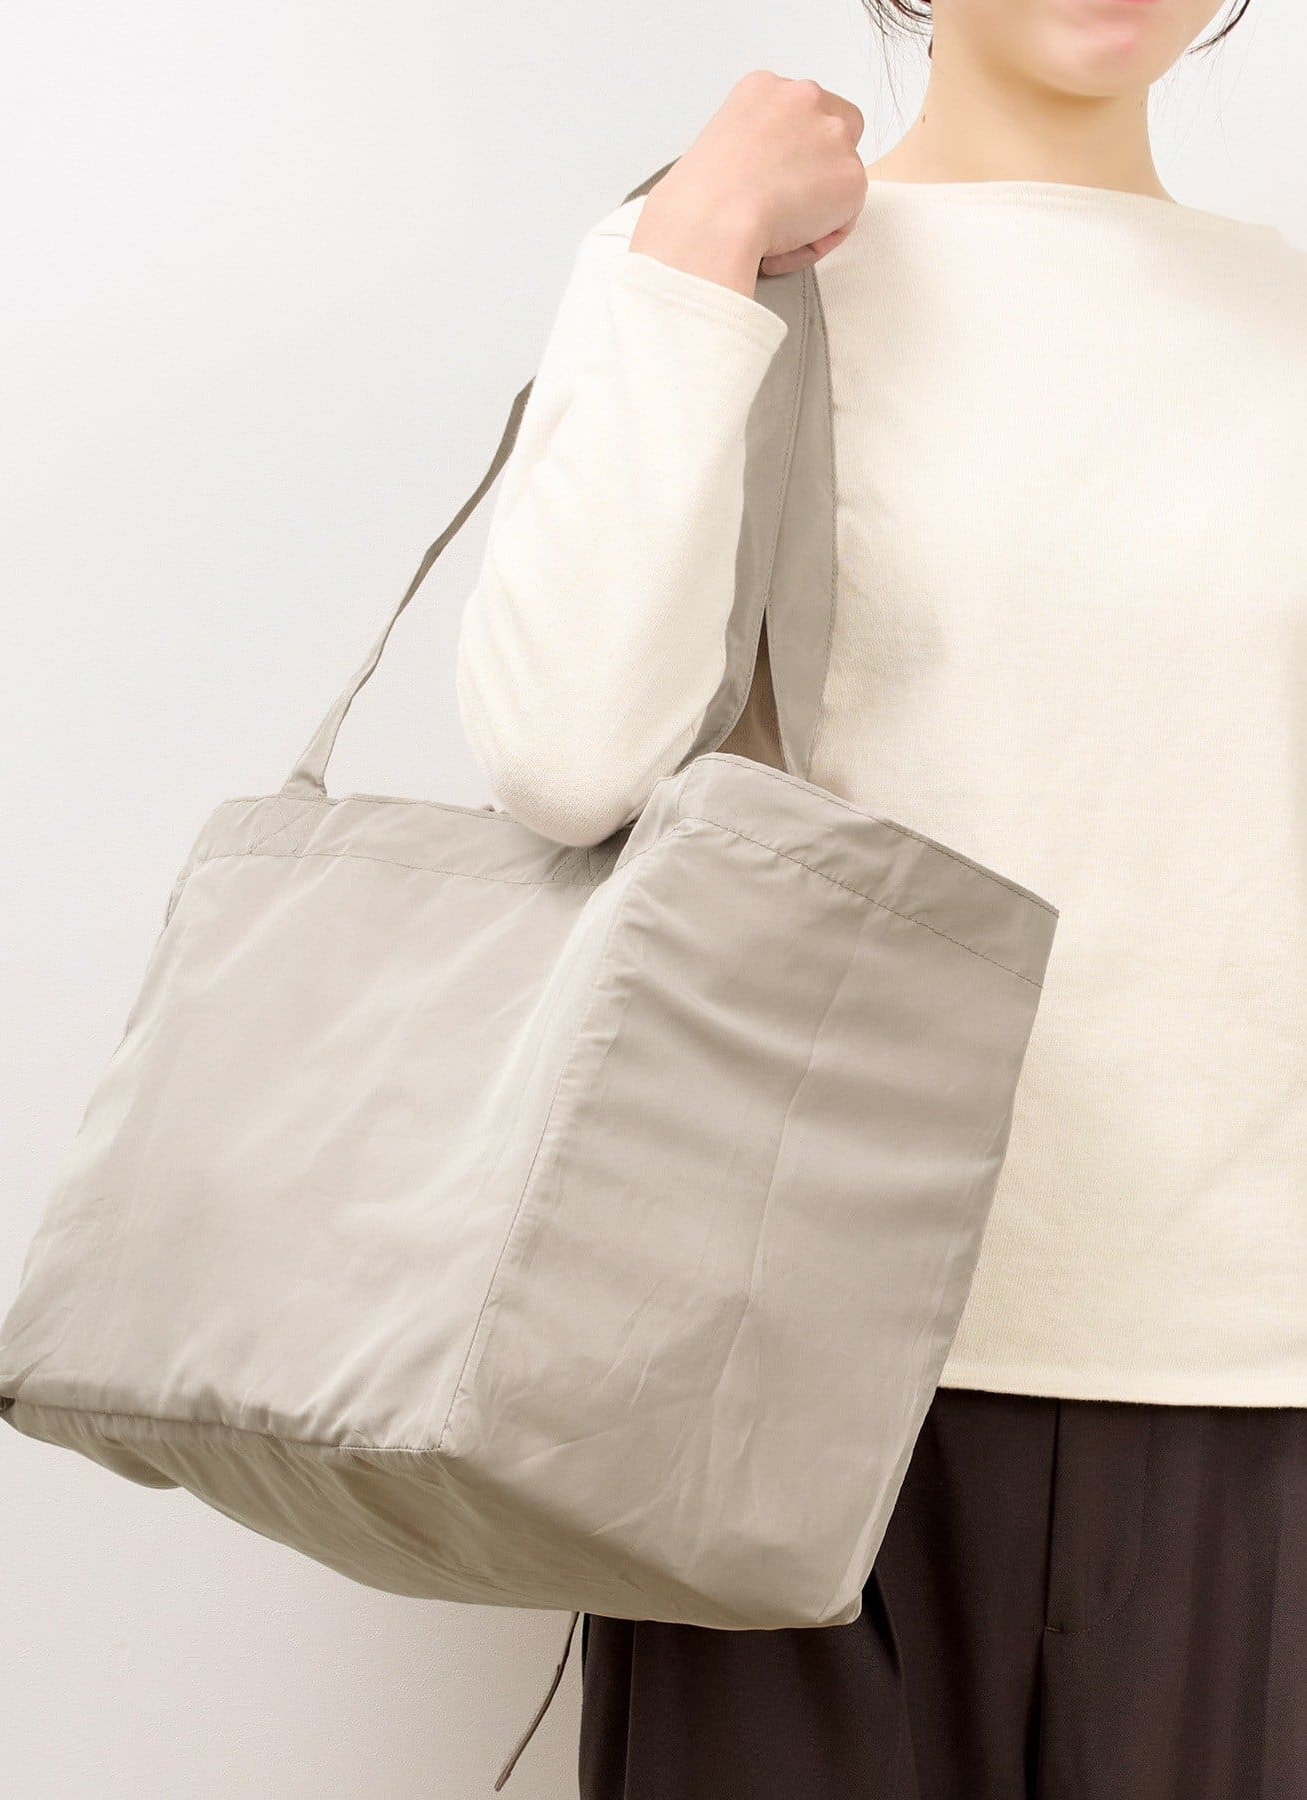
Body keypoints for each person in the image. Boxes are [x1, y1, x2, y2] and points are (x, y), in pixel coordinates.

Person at [453, 2, 1306, 1795]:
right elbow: (564, 754)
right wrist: (695, 238)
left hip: (1250, 1372)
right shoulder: (731, 265)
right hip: (787, 1350)